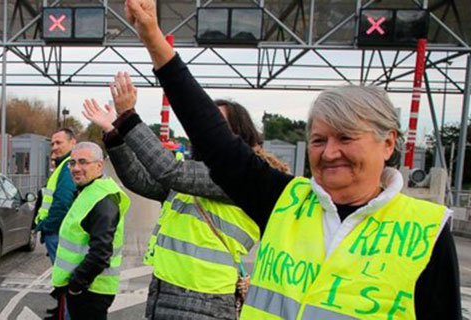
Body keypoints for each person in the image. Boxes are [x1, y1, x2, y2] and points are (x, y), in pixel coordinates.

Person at [124, 1, 462, 319]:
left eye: (346, 138)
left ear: (388, 143)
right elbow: (215, 140)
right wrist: (155, 41)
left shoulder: (427, 230)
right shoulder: (284, 200)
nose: (330, 153)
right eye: (318, 140)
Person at [82, 73, 288, 320]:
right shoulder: (194, 173)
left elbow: (168, 170)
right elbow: (140, 180)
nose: (206, 131)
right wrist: (113, 133)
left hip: (204, 300)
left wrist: (128, 119)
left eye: (217, 126)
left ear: (238, 135)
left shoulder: (242, 176)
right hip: (165, 291)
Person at [51, 142, 130, 320]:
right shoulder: (89, 191)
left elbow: (101, 252)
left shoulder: (103, 199)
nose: (76, 168)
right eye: (72, 163)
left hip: (91, 290)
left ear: (99, 165)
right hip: (85, 288)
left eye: (83, 162)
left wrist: (76, 285)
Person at [34, 128, 77, 317]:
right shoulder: (64, 166)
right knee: (62, 278)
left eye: (59, 143)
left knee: (65, 279)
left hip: (57, 233)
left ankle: (63, 314)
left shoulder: (68, 166)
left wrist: (48, 227)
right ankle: (60, 311)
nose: (54, 147)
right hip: (57, 232)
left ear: (73, 143)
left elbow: (62, 202)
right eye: (52, 143)